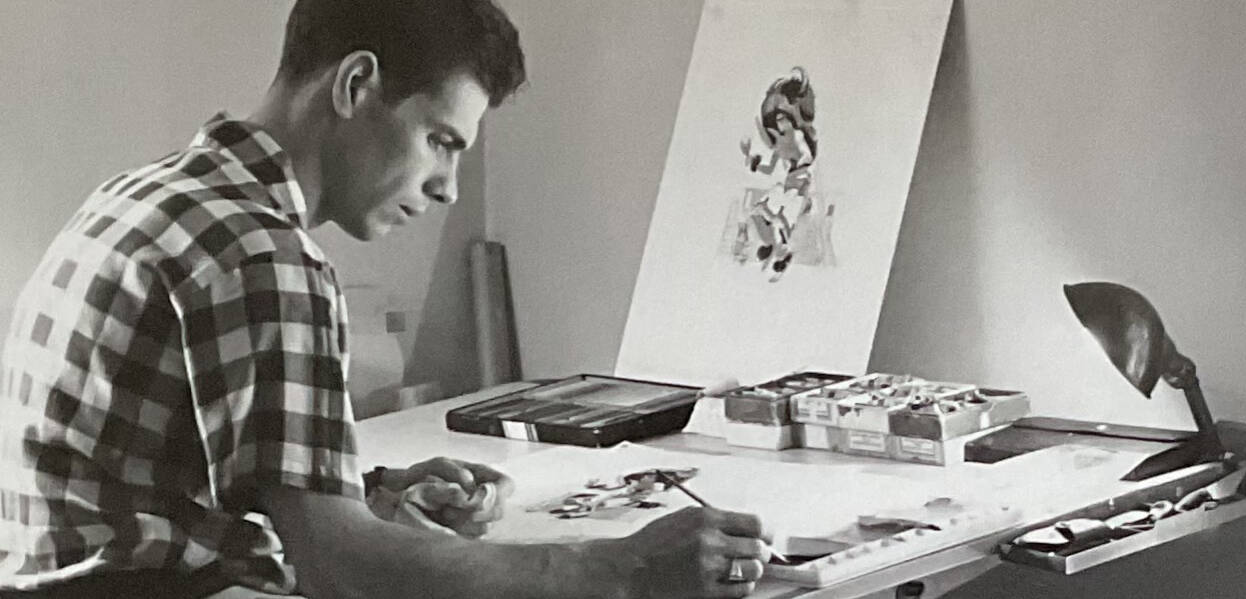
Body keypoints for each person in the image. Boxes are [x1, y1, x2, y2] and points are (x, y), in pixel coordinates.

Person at [0, 1, 770, 598]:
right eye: (441, 140)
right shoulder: (264, 254)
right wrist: (622, 567)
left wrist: (364, 495)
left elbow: (154, 484)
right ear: (356, 84)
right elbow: (342, 572)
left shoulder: (145, 195)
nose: (449, 187)